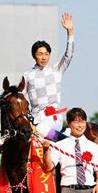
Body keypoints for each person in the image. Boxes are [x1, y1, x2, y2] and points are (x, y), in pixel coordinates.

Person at [23, 12, 74, 141]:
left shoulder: (56, 70)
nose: (44, 57)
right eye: (40, 54)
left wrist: (70, 32)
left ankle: (65, 140)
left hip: (53, 118)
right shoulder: (27, 75)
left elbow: (68, 55)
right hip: (35, 118)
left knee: (40, 130)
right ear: (34, 55)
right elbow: (22, 99)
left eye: (46, 54)